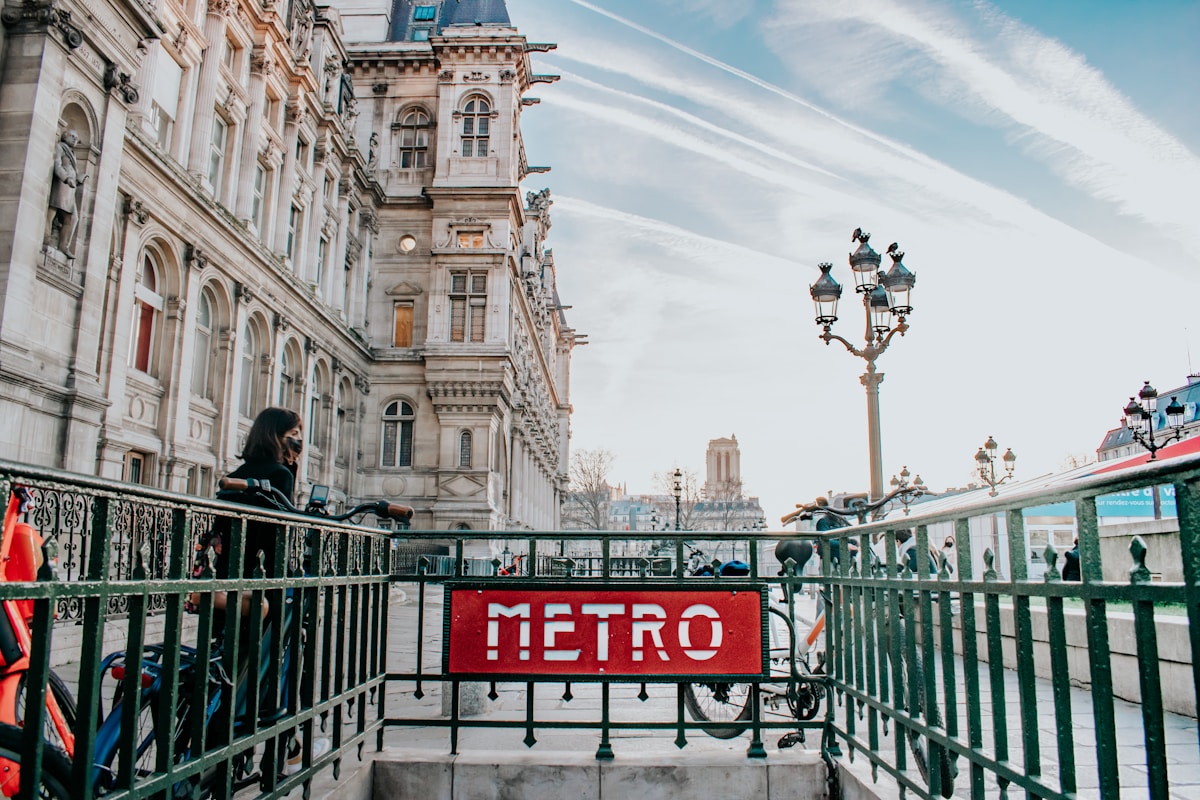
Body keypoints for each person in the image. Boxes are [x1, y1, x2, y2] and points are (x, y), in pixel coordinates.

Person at [47, 129, 85, 256]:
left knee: (73, 218)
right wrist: (66, 178)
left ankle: (64, 245)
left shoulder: (72, 153)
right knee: (53, 211)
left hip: (70, 188)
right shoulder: (60, 147)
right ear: (65, 136)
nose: (75, 139)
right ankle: (47, 238)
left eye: (77, 137)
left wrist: (78, 179)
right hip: (61, 185)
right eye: (72, 136)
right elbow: (57, 165)